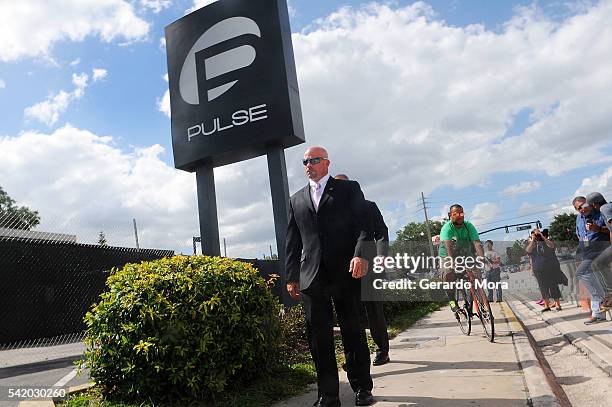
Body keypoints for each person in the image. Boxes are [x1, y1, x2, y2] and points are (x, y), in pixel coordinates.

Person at [285, 147, 374, 407]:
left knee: (352, 330)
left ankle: (362, 388)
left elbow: (363, 226)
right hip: (312, 276)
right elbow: (292, 241)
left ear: (326, 163)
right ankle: (328, 394)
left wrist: (360, 255)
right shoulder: (296, 199)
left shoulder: (348, 189)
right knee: (318, 336)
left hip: (346, 271)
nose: (309, 164)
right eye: (305, 161)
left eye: (314, 160)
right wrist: (291, 276)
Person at [335, 174, 390, 366]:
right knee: (350, 312)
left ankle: (382, 349)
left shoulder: (368, 206)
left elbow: (381, 232)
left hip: (370, 264)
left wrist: (382, 255)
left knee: (374, 310)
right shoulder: (330, 211)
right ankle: (356, 355)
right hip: (344, 268)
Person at [438, 204, 485, 313]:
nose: (459, 216)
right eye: (456, 214)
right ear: (450, 215)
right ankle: (452, 301)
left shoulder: (469, 226)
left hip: (465, 254)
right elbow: (448, 246)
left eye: (461, 213)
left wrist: (482, 258)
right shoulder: (447, 228)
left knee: (476, 276)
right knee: (448, 272)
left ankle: (480, 306)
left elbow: (477, 243)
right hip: (447, 255)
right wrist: (453, 262)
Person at [574, 196, 610, 324]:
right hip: (587, 254)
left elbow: (610, 229)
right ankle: (598, 312)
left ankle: (601, 302)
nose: (583, 209)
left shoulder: (600, 213)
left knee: (581, 272)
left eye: (585, 205)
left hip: (601, 251)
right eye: (580, 208)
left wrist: (598, 229)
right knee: (591, 279)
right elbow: (579, 234)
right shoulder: (579, 218)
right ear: (577, 210)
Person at [525, 228, 562, 311]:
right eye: (535, 235)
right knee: (543, 287)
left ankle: (558, 304)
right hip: (538, 268)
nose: (537, 236)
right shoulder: (532, 244)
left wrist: (542, 236)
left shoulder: (546, 241)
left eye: (537, 234)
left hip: (550, 267)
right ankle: (546, 305)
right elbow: (528, 250)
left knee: (553, 286)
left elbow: (552, 245)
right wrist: (533, 240)